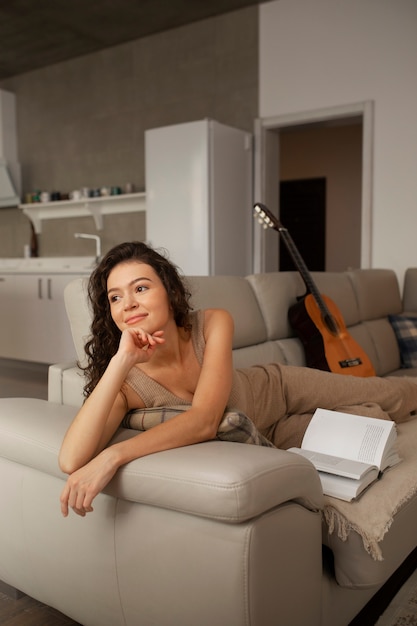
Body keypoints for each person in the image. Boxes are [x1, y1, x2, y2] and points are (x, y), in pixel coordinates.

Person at [59, 241, 417, 517]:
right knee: (374, 424)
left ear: (169, 292)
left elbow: (204, 421)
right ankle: (366, 412)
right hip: (267, 437)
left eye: (140, 288)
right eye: (115, 297)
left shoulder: (213, 322)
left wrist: (114, 456)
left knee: (391, 394)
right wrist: (122, 361)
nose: (128, 304)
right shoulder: (125, 383)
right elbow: (71, 459)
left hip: (278, 388)